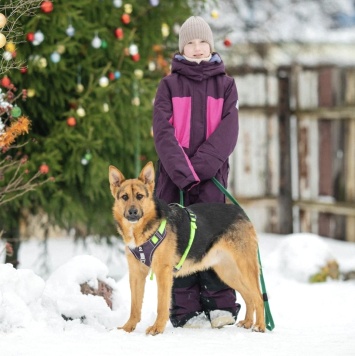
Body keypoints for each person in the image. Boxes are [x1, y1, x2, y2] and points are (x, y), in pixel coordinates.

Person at [152, 16, 240, 329]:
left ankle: (219, 306)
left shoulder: (226, 85)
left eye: (202, 42)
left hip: (212, 176)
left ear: (211, 45)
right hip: (174, 179)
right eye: (190, 42)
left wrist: (200, 168)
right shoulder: (168, 86)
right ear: (182, 48)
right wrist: (183, 172)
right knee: (178, 240)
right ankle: (184, 308)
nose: (197, 48)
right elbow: (163, 133)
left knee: (213, 238)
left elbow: (228, 132)